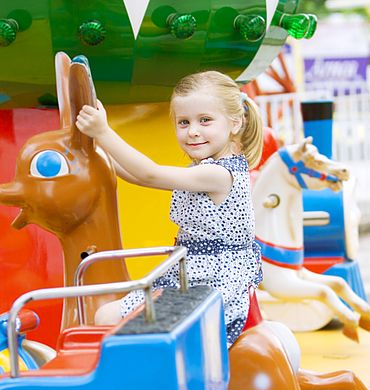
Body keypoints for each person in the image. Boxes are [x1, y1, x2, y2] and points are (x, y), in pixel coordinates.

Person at [75, 71, 264, 346]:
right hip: (189, 273)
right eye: (183, 122)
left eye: (205, 121)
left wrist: (103, 132)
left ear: (235, 123)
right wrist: (97, 155)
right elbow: (139, 176)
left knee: (108, 315)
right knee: (109, 312)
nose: (193, 131)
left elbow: (150, 173)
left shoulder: (220, 175)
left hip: (210, 284)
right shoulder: (205, 169)